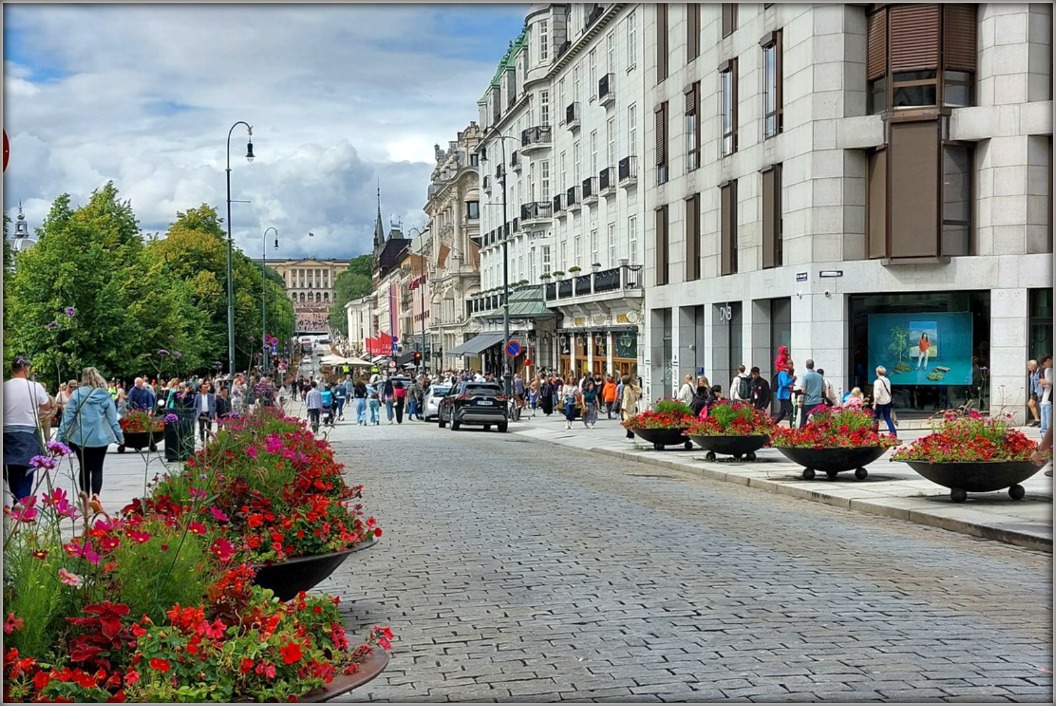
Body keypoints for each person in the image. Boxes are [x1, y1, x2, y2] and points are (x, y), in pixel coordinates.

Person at [58, 366, 123, 514]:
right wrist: (120, 437)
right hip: (100, 438)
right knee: (97, 468)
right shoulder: (105, 395)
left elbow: (67, 418)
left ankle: (85, 498)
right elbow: (113, 420)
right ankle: (96, 496)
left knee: (84, 468)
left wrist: (59, 437)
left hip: (80, 438)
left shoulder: (76, 395)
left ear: (83, 379)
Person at [4, 356, 53, 501]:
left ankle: (16, 500)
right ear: (26, 368)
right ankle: (23, 503)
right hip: (28, 433)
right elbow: (46, 406)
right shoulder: (35, 386)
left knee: (11, 470)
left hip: (6, 433)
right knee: (27, 471)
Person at [796, 360, 826, 428]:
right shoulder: (820, 376)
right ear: (813, 365)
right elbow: (823, 389)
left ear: (806, 366)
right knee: (818, 422)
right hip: (818, 401)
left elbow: (803, 390)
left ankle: (801, 435)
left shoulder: (805, 376)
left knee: (803, 421)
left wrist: (800, 400)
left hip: (807, 402)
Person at [872, 365, 897, 438]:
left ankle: (874, 435)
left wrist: (874, 403)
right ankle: (893, 435)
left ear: (877, 372)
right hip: (887, 401)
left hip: (879, 402)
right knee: (888, 419)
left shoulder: (877, 382)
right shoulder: (887, 380)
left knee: (876, 418)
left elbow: (877, 394)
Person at [620, 374, 642, 439]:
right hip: (632, 406)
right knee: (630, 420)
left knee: (626, 420)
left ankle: (630, 435)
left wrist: (624, 407)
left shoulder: (626, 388)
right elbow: (639, 390)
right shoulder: (631, 386)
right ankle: (631, 434)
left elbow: (626, 398)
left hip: (627, 407)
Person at [1038, 354, 1052, 438]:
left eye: (1044, 364)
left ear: (1048, 360)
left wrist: (1046, 382)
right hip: (1044, 399)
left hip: (1049, 401)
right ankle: (1043, 438)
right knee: (1043, 425)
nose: (1043, 366)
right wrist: (1043, 384)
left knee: (1049, 424)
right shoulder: (1046, 370)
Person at [1027, 359, 1042, 427]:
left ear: (1033, 366)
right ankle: (1037, 420)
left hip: (1040, 391)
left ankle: (1041, 421)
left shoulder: (1040, 371)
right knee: (1030, 404)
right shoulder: (1032, 373)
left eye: (1029, 366)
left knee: (1042, 406)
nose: (1028, 367)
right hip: (1035, 391)